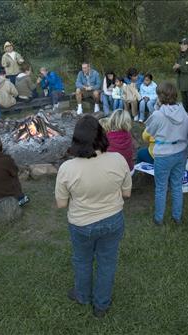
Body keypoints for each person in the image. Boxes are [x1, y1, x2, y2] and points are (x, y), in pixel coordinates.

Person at [55, 115, 132, 318]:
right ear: (101, 135)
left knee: (82, 260)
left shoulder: (67, 169)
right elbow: (126, 193)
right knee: (107, 262)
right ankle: (101, 305)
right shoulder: (118, 160)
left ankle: (82, 295)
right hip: (113, 220)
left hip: (81, 224)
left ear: (76, 139)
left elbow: (61, 203)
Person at [145, 82, 188, 226]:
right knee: (177, 186)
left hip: (163, 155)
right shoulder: (184, 112)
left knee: (161, 187)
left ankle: (159, 218)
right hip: (180, 152)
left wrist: (156, 110)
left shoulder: (158, 115)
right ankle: (176, 217)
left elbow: (149, 131)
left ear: (160, 97)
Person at [173, 37, 188, 113]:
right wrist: (175, 68)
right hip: (182, 84)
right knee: (184, 105)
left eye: (184, 44)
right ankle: (186, 120)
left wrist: (180, 67)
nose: (182, 46)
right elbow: (177, 68)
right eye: (181, 44)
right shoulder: (180, 56)